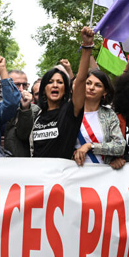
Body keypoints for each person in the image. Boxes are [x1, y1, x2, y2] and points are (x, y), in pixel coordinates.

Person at [28, 27, 94, 159]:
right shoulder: (37, 115)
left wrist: (87, 47)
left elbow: (80, 81)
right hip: (37, 176)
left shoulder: (70, 111)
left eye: (59, 82)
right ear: (44, 89)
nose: (55, 85)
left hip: (61, 177)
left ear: (66, 89)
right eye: (50, 82)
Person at [73, 69, 126, 166]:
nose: (91, 88)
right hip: (75, 172)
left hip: (102, 174)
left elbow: (120, 146)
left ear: (105, 92)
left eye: (98, 85)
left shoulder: (109, 114)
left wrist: (90, 146)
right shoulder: (71, 112)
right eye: (88, 83)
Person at [4, 70, 39, 157]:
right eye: (17, 84)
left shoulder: (35, 110)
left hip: (22, 162)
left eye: (24, 85)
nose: (21, 89)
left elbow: (24, 135)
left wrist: (25, 109)